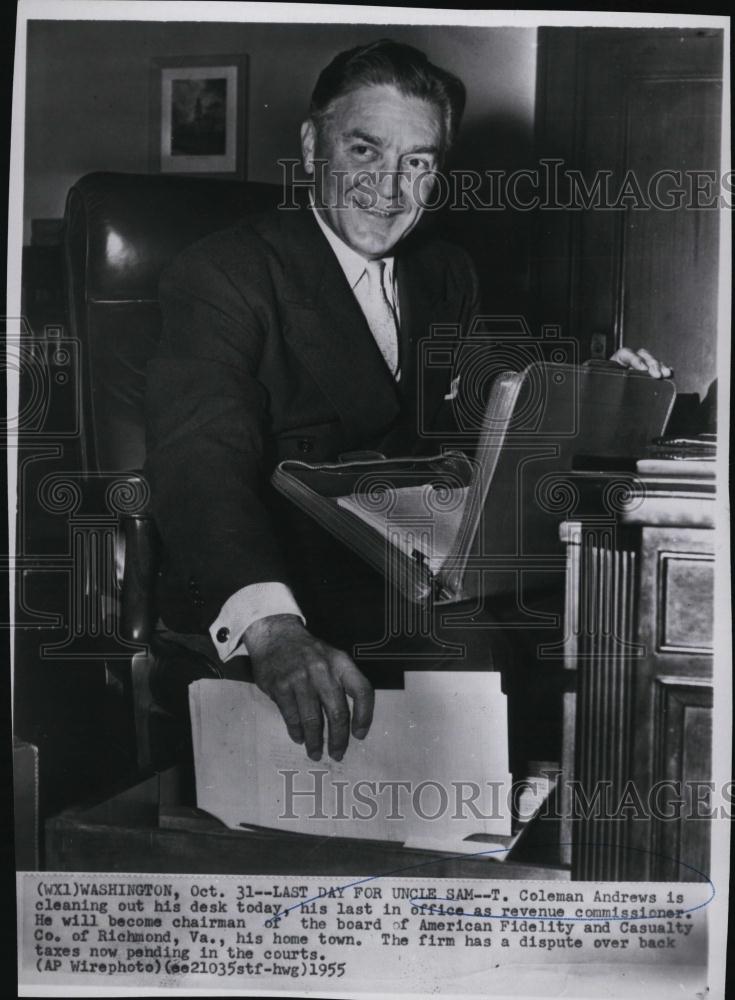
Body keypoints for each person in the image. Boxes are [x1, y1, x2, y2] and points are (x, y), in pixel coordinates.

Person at [145, 39, 670, 767]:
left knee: (617, 628)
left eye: (418, 162)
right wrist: (271, 627)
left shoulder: (443, 269)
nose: (389, 189)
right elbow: (200, 461)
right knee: (477, 651)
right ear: (310, 144)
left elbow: (481, 399)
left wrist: (591, 389)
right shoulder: (224, 274)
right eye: (365, 151)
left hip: (411, 565)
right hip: (278, 578)